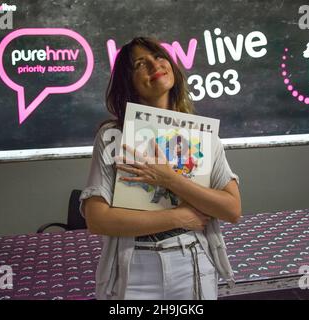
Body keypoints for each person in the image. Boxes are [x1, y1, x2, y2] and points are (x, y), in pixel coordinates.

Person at [80, 37, 242, 300]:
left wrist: (170, 179)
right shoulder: (113, 136)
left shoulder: (201, 135)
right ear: (129, 84)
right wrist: (178, 218)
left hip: (193, 260)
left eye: (158, 56)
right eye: (139, 64)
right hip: (134, 267)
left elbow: (232, 209)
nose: (154, 65)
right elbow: (97, 220)